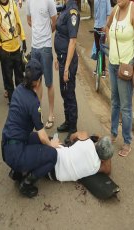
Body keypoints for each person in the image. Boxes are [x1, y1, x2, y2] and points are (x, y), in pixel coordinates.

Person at [1, 59, 60, 199]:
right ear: (38, 81)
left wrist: (49, 141)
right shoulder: (34, 104)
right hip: (16, 153)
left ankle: (16, 172)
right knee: (53, 154)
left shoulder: (18, 90)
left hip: (6, 146)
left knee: (46, 141)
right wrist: (52, 145)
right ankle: (26, 183)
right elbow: (43, 137)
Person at [106, 0, 134, 157]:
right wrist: (111, 45)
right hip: (113, 63)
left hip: (125, 67)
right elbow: (107, 27)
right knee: (114, 101)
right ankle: (113, 133)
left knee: (126, 107)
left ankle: (127, 142)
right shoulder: (115, 10)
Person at [26, 0, 57, 129]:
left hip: (46, 47)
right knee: (36, 82)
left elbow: (54, 20)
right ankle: (38, 114)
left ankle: (51, 114)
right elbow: (29, 20)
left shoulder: (49, 1)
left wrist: (46, 33)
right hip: (35, 47)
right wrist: (37, 29)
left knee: (48, 83)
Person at [54, 0, 80, 144]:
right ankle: (67, 121)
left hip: (68, 62)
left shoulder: (72, 12)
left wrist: (66, 67)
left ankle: (73, 129)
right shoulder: (65, 8)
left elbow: (72, 41)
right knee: (64, 92)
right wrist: (58, 58)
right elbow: (60, 34)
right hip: (62, 58)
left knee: (69, 93)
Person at [0, 0, 27, 104]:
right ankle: (12, 103)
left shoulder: (12, 4)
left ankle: (21, 101)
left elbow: (18, 22)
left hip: (16, 49)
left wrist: (23, 38)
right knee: (8, 80)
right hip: (5, 52)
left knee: (19, 78)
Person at [48, 131, 113, 182]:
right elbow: (108, 170)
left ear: (97, 143)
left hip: (49, 157)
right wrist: (107, 151)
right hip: (52, 176)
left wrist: (99, 138)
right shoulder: (97, 167)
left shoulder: (85, 139)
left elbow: (71, 137)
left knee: (49, 139)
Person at [93, 0, 112, 77]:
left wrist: (106, 26)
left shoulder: (107, 0)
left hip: (103, 27)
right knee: (97, 48)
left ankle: (103, 69)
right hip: (96, 26)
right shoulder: (95, 1)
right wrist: (94, 25)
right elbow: (95, 14)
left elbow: (108, 14)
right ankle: (98, 68)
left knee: (102, 48)